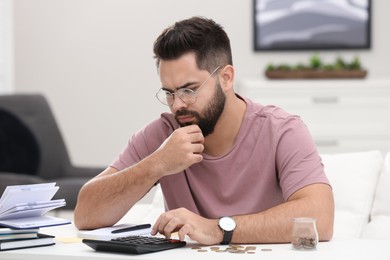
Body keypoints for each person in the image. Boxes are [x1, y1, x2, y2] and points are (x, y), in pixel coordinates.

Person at [74, 16, 334, 245]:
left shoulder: (282, 130)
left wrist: (216, 229)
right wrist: (157, 164)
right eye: (169, 93)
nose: (178, 105)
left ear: (226, 78)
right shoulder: (162, 134)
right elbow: (85, 215)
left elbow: (320, 219)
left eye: (190, 90)